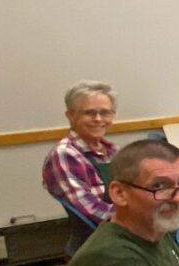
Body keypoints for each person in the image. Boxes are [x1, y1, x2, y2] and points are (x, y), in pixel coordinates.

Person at [42, 80, 121, 223]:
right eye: (89, 113)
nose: (98, 119)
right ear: (71, 116)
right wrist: (139, 215)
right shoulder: (65, 155)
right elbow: (94, 211)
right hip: (104, 233)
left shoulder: (113, 151)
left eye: (105, 113)